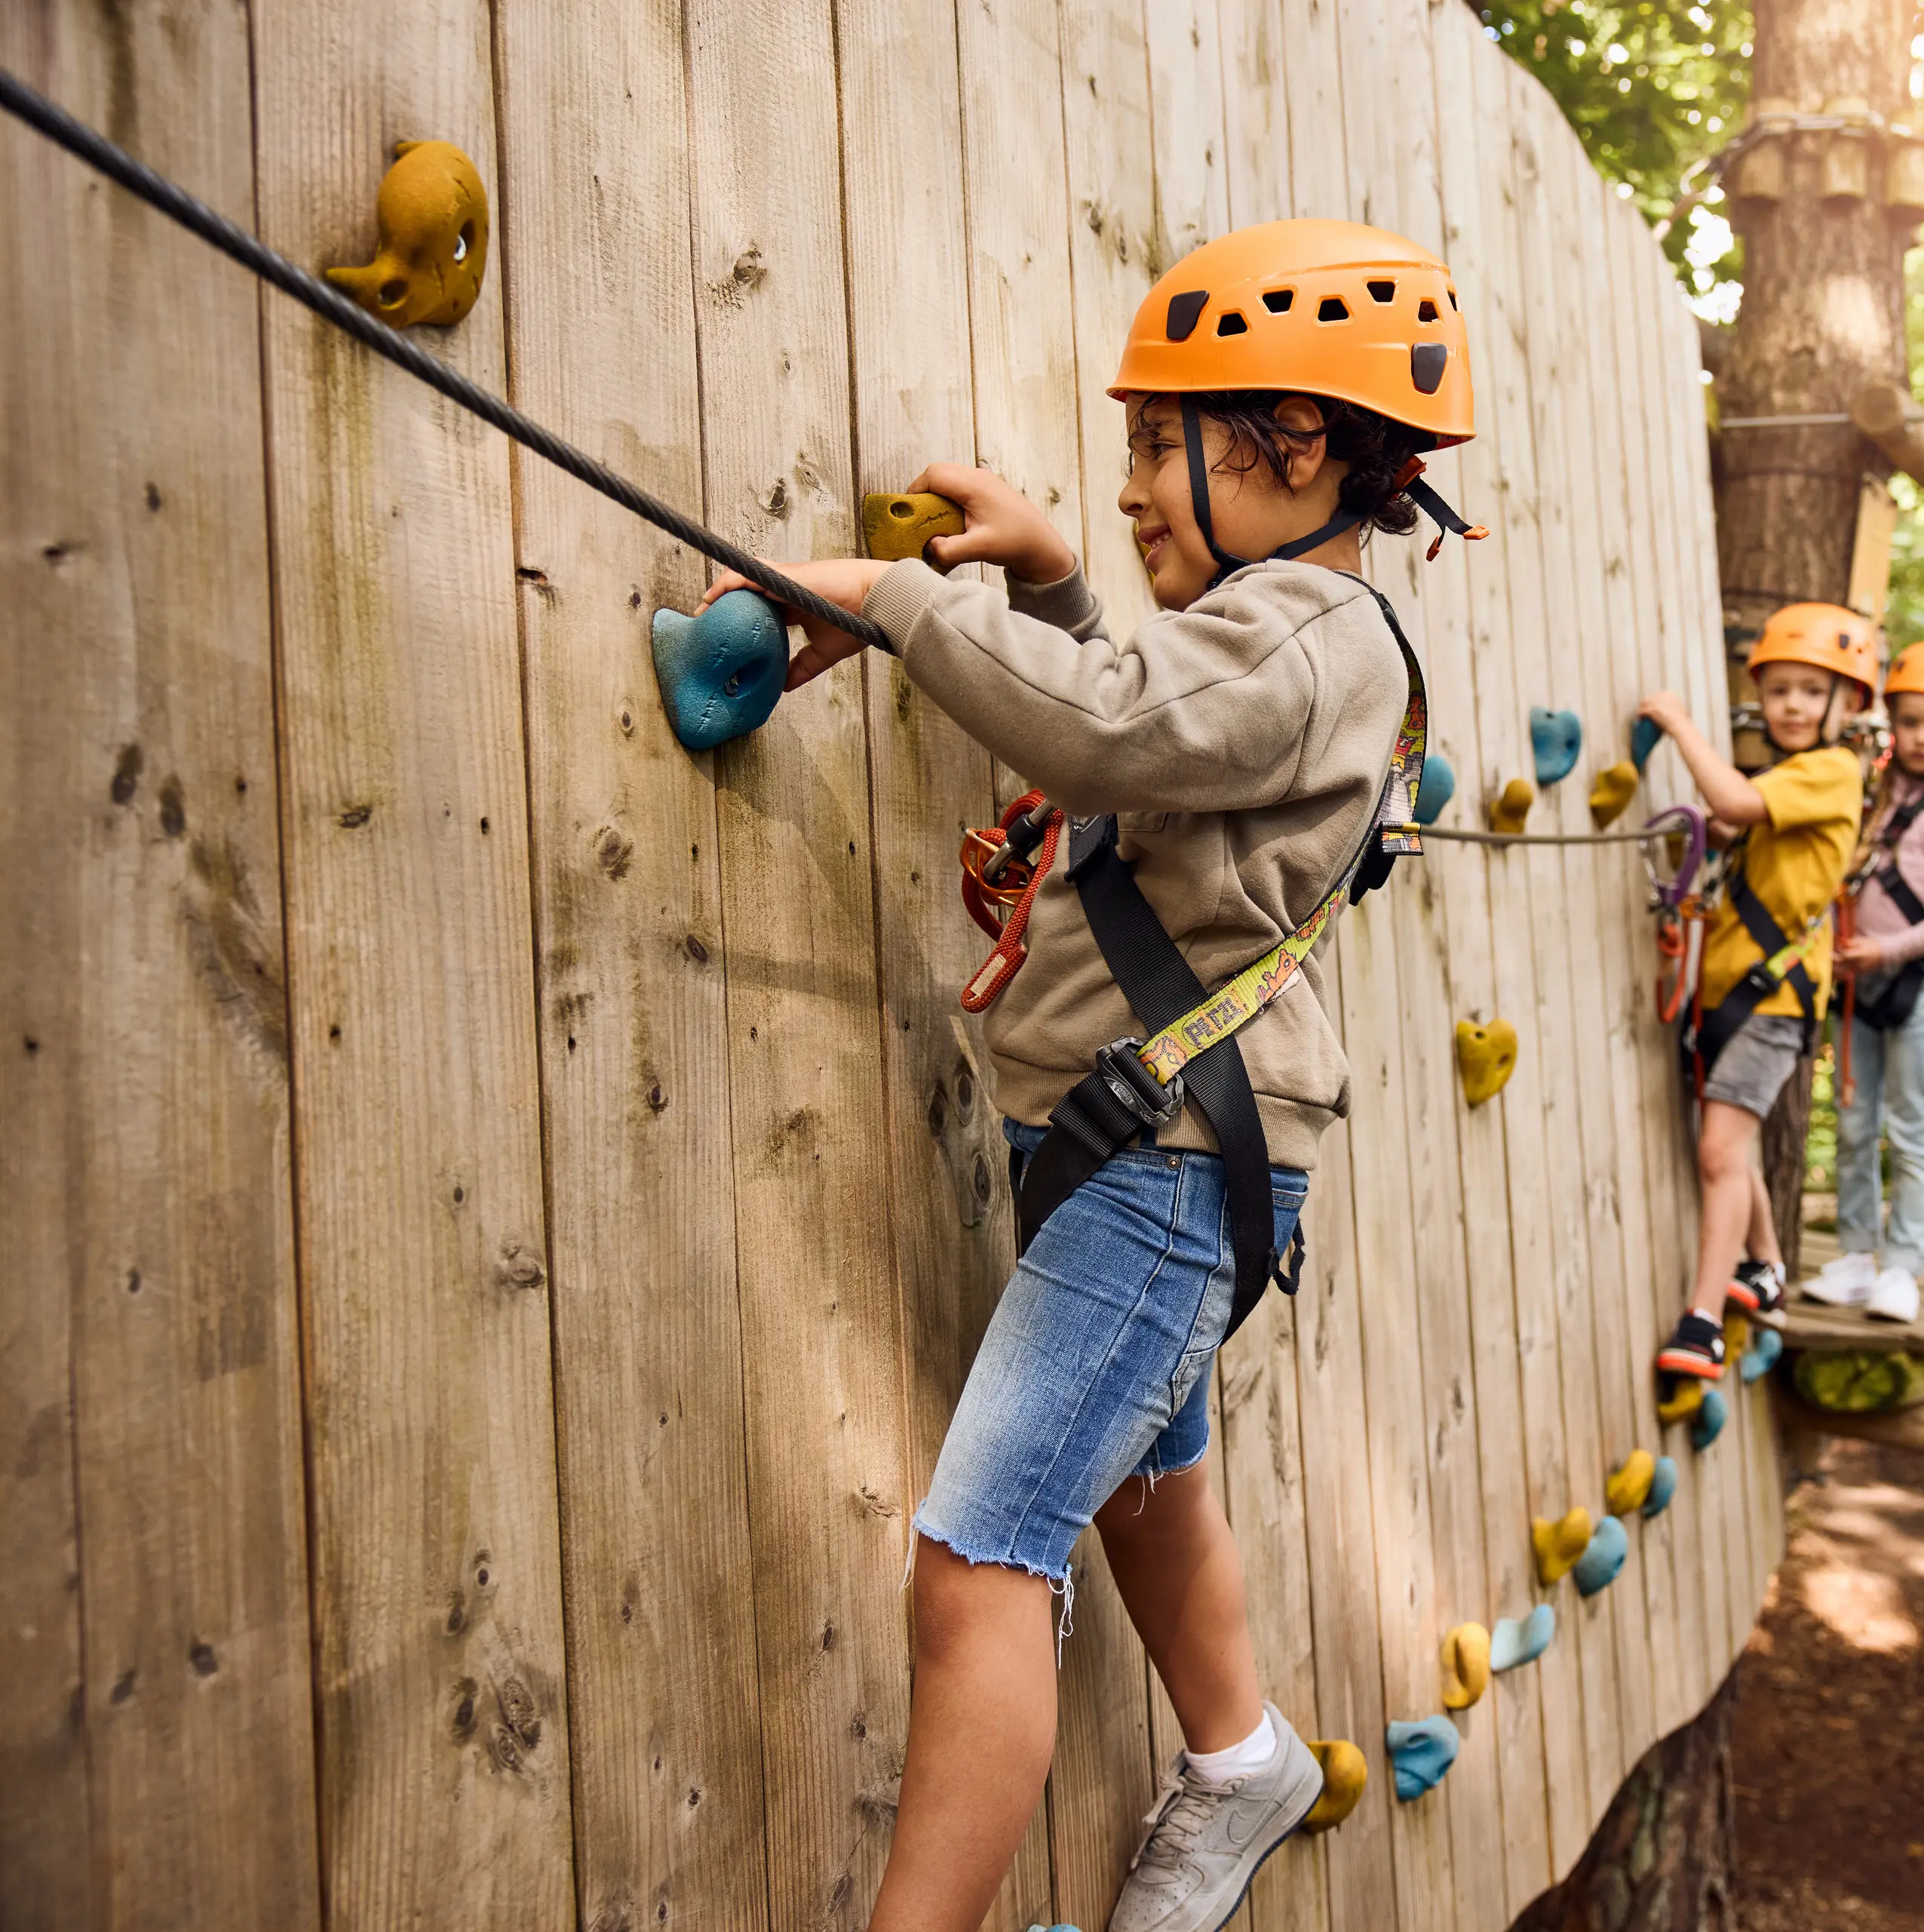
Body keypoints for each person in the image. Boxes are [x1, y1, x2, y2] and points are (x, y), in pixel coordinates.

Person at [698, 219, 1483, 1932]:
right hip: (1164, 1148)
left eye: (1157, 440)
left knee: (979, 1557)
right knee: (1148, 1485)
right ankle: (1239, 1751)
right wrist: (1047, 587)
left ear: (1291, 443)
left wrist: (897, 600)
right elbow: (1149, 730)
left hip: (1161, 1167)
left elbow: (1113, 731)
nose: (1130, 481)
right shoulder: (1289, 632)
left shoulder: (1301, 630)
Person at [1637, 605, 1880, 1390]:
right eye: (1779, 690)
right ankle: (1766, 1263)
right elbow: (1746, 816)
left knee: (1719, 1154)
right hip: (1736, 992)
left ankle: (1704, 1323)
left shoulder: (1833, 770)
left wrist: (1678, 724)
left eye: (1813, 690)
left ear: (1848, 705)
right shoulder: (1792, 781)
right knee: (1728, 1149)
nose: (1794, 705)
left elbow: (1738, 803)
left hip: (1770, 1001)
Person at [1803, 639, 1924, 1327]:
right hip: (1856, 984)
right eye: (1909, 721)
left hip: (1913, 989)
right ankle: (1857, 1257)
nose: (1920, 737)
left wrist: (1884, 948)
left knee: (1910, 1129)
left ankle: (1903, 1268)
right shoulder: (1872, 794)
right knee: (1854, 1124)